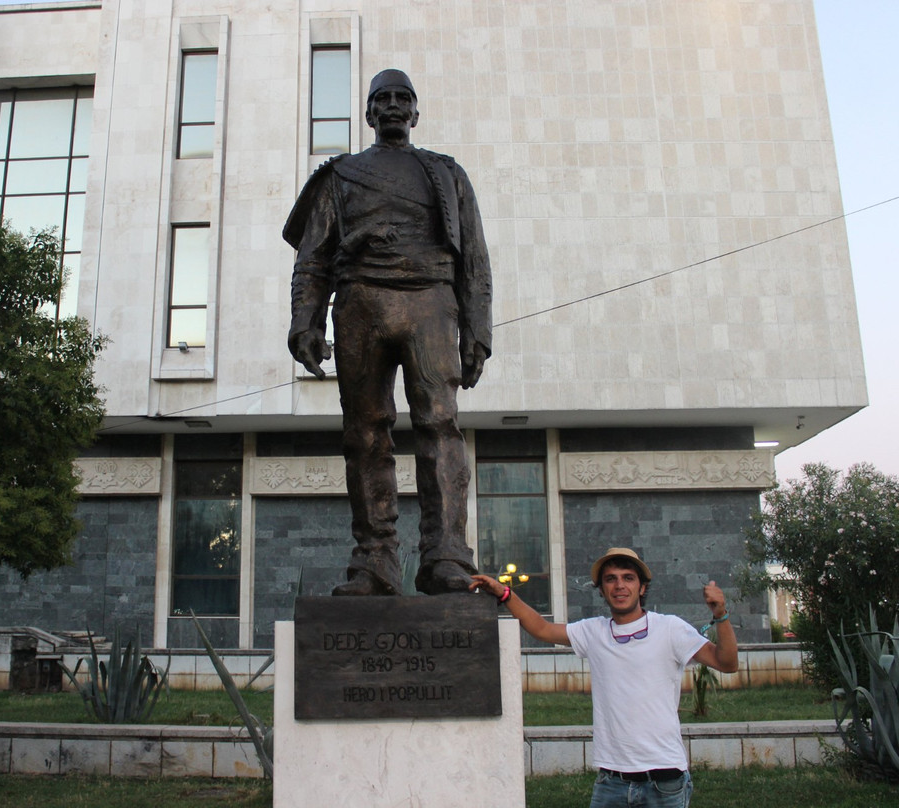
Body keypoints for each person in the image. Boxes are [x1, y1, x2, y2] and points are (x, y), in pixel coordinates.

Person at [283, 69, 493, 596]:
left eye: (404, 98)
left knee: (440, 425)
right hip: (360, 304)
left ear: (416, 112)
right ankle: (375, 557)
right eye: (384, 99)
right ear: (370, 112)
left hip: (432, 302)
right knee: (364, 432)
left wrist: (478, 331)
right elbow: (313, 257)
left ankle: (446, 554)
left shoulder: (447, 173)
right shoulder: (341, 176)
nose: (394, 106)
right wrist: (304, 320)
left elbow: (476, 261)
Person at [471, 547, 738, 808]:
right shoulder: (593, 632)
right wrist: (505, 593)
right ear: (602, 590)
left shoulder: (669, 629)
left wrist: (720, 614)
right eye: (611, 579)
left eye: (628, 578)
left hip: (664, 780)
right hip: (612, 781)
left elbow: (726, 663)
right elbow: (542, 629)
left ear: (642, 588)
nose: (619, 586)